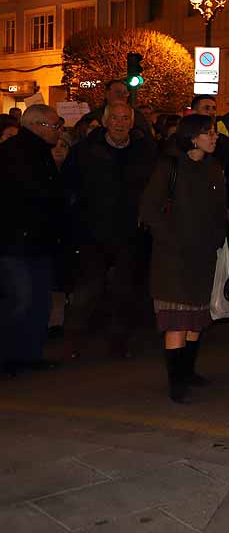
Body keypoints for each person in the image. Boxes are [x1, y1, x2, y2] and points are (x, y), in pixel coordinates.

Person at [139, 115, 228, 403]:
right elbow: (150, 208)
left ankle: (188, 372)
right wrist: (171, 240)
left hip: (203, 255)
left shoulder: (214, 167)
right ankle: (176, 382)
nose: (214, 137)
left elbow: (220, 209)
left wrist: (216, 236)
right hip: (174, 258)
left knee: (195, 319)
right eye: (208, 133)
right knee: (176, 320)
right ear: (192, 137)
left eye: (214, 132)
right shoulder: (170, 165)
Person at [62, 102, 158, 360]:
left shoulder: (145, 151)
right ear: (105, 121)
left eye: (125, 118)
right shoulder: (84, 151)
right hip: (92, 232)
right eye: (114, 118)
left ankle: (118, 341)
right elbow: (69, 188)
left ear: (132, 121)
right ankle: (73, 339)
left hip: (129, 233)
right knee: (87, 289)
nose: (120, 122)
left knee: (124, 290)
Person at [0, 105, 66, 377]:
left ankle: (29, 355)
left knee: (38, 300)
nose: (58, 132)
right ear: (37, 125)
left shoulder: (40, 153)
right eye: (54, 126)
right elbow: (31, 195)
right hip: (16, 241)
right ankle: (9, 357)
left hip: (38, 240)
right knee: (20, 300)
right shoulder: (15, 154)